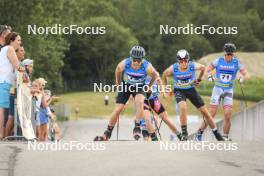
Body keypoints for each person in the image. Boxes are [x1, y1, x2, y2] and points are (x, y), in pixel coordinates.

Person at [94, 45, 158, 141]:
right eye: (134, 60)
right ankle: (107, 133)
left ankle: (137, 126)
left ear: (142, 59)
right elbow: (118, 70)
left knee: (139, 102)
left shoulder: (147, 66)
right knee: (118, 109)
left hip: (139, 86)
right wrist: (118, 83)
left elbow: (155, 75)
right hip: (126, 85)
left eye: (139, 60)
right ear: (131, 58)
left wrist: (148, 87)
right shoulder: (125, 63)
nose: (136, 62)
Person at [162, 49, 224, 141]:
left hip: (191, 90)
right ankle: (184, 133)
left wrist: (199, 79)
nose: (183, 63)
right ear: (178, 61)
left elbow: (203, 68)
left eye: (185, 60)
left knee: (205, 112)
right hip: (179, 90)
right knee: (182, 107)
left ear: (188, 60)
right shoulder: (173, 68)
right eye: (181, 61)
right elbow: (164, 74)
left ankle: (217, 134)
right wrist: (165, 89)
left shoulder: (192, 65)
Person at [195, 43, 250, 141]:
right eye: (227, 54)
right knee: (211, 114)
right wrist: (209, 76)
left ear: (233, 54)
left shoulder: (237, 63)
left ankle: (225, 137)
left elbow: (246, 74)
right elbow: (207, 70)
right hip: (217, 90)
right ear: (224, 53)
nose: (229, 56)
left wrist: (242, 78)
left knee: (228, 115)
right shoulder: (218, 61)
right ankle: (199, 133)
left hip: (228, 91)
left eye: (231, 54)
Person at [134, 75, 183, 141]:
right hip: (144, 101)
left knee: (165, 119)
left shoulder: (153, 73)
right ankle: (154, 139)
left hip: (154, 100)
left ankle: (179, 135)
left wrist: (163, 92)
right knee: (147, 120)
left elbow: (159, 81)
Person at [0, 32, 24, 139]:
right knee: (1, 110)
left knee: (2, 110)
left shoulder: (4, 49)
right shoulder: (10, 49)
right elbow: (17, 66)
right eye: (18, 40)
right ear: (12, 40)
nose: (20, 42)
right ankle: (1, 135)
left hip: (3, 81)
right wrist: (24, 71)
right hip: (4, 82)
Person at [4, 45, 26, 137]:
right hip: (13, 92)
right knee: (11, 116)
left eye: (23, 50)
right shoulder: (15, 64)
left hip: (16, 92)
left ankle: (6, 137)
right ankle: (5, 137)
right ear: (15, 53)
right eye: (21, 50)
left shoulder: (20, 63)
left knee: (12, 117)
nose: (23, 52)